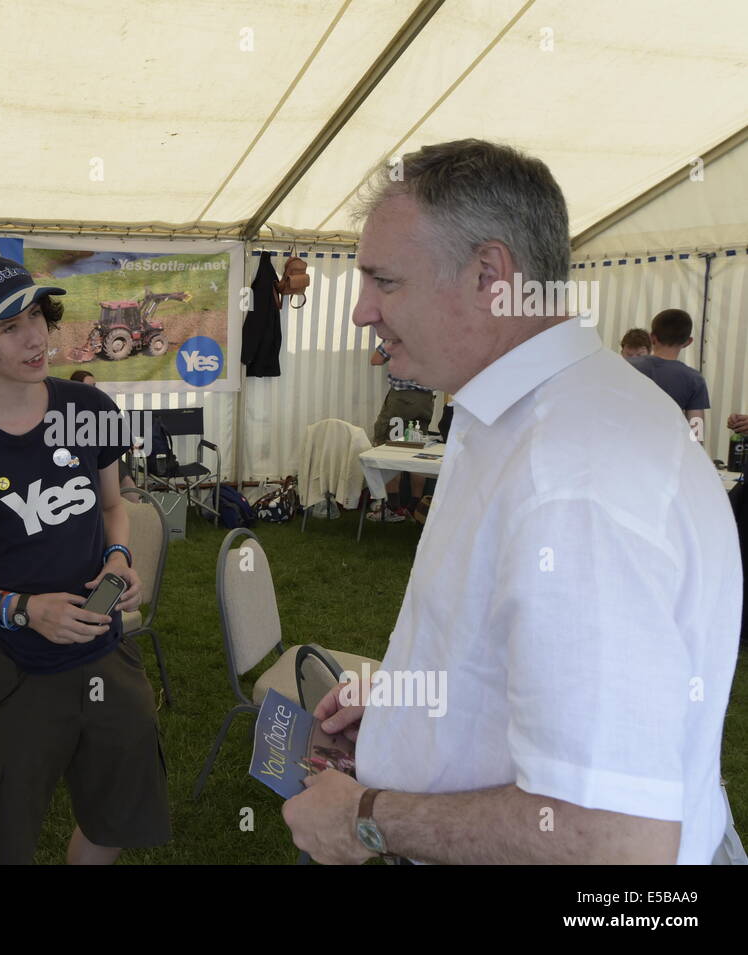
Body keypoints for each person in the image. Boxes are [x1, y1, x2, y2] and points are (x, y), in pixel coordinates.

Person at [282, 139, 740, 865]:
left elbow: (616, 840)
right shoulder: (517, 411)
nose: (362, 312)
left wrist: (365, 818)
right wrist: (409, 706)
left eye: (385, 281)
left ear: (491, 276)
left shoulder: (573, 478)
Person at [0, 254, 171, 865]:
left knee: (118, 814)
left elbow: (114, 507)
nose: (35, 337)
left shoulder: (87, 411)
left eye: (36, 316)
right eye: (9, 327)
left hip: (106, 650)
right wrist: (24, 609)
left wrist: (118, 557)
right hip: (17, 670)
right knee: (9, 836)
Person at [368, 344, 434, 521]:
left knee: (390, 450)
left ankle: (393, 507)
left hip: (402, 399)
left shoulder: (396, 335)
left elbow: (376, 360)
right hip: (425, 400)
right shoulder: (434, 335)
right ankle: (415, 506)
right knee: (416, 450)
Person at [627, 309, 710, 440]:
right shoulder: (695, 379)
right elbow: (696, 430)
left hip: (627, 445)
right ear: (688, 342)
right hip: (668, 451)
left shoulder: (626, 367)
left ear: (652, 338)